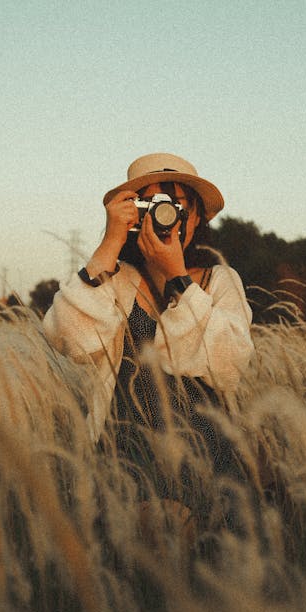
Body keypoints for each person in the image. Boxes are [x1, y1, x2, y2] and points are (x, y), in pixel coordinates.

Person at [43, 153, 254, 516]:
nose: (165, 215)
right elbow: (67, 338)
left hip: (208, 456)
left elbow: (229, 364)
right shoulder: (116, 279)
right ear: (134, 213)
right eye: (152, 204)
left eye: (176, 205)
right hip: (126, 458)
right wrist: (109, 244)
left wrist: (179, 278)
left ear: (198, 216)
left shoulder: (220, 281)